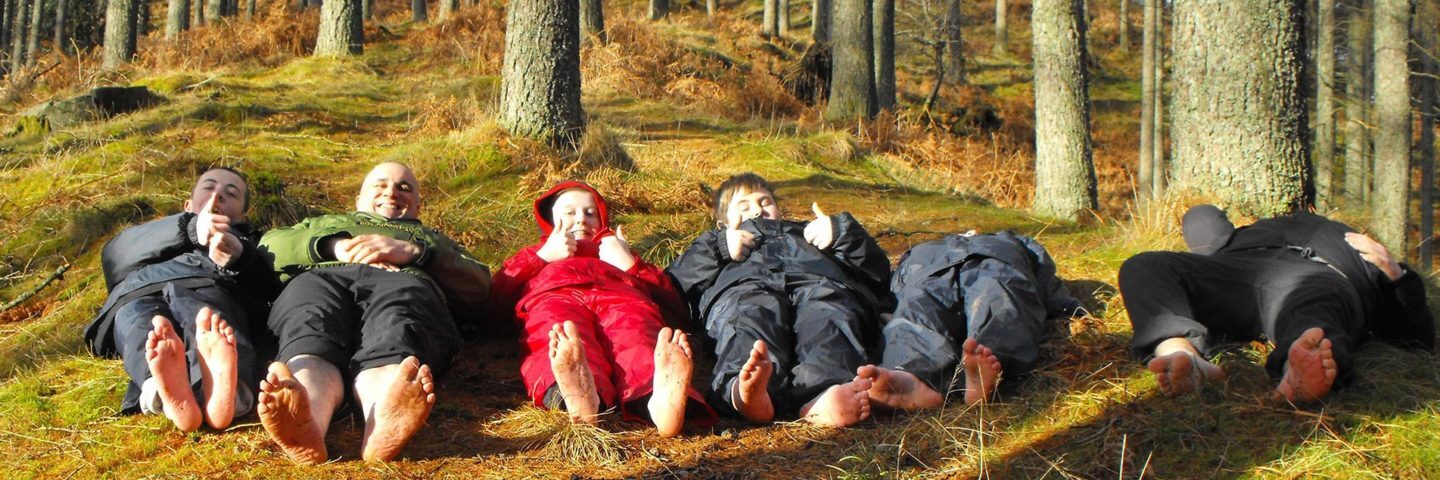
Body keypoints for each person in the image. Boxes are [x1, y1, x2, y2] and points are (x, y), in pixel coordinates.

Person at [256, 162, 491, 463]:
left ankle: (383, 418)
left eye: (404, 187)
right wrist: (334, 247)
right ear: (358, 201)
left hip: (403, 281)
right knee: (310, 320)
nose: (392, 191)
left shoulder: (431, 239)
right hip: (322, 277)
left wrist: (414, 253)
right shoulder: (322, 224)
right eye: (379, 185)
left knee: (397, 321)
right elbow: (268, 247)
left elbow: (480, 286)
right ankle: (307, 417)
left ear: (418, 205)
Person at [1120, 205, 1434, 402]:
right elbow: (1201, 219)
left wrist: (1396, 273)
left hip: (1323, 274)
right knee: (1144, 266)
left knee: (1313, 319)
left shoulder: (1365, 249)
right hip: (1239, 270)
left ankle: (1296, 375)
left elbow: (1415, 336)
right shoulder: (1235, 237)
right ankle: (1183, 356)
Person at [486, 181, 716, 437]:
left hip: (622, 298)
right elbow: (494, 302)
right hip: (555, 297)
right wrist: (541, 257)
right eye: (570, 212)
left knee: (637, 334)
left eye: (590, 212)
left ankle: (656, 400)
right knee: (559, 337)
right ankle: (578, 395)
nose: (581, 219)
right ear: (551, 219)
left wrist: (631, 264)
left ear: (603, 218)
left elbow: (674, 304)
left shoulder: (618, 250)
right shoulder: (536, 253)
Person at [667, 173, 890, 427]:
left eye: (765, 202)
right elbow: (674, 286)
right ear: (722, 223)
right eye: (744, 206)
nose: (757, 210)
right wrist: (718, 247)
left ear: (778, 209)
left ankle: (825, 392)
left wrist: (842, 233)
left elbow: (877, 272)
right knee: (748, 320)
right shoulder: (715, 243)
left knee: (829, 315)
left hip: (819, 282)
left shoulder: (809, 232)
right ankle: (744, 393)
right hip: (744, 287)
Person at [84, 166, 280, 432]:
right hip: (140, 290)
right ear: (187, 204)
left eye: (230, 193)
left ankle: (225, 392)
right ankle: (163, 390)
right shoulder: (156, 231)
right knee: (145, 325)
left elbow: (270, 291)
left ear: (242, 215)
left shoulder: (253, 243)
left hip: (211, 286)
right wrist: (191, 228)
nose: (218, 196)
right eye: (209, 187)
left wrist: (242, 260)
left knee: (210, 320)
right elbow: (115, 254)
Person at [858, 231, 1081, 411]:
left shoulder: (1008, 240)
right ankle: (909, 376)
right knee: (917, 307)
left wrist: (1065, 306)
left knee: (999, 297)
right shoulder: (920, 250)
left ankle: (986, 367)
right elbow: (896, 288)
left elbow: (1041, 274)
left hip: (995, 263)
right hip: (928, 275)